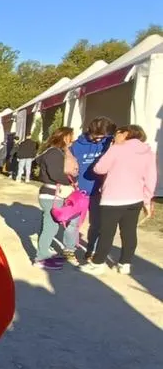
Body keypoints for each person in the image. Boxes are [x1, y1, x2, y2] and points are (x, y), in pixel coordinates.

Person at [82, 124, 157, 275]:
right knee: (129, 232)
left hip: (113, 197)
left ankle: (98, 263)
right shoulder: (148, 152)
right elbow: (151, 178)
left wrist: (112, 148)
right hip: (135, 198)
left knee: (107, 232)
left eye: (117, 133)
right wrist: (147, 200)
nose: (115, 136)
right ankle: (125, 263)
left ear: (126, 134)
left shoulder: (117, 148)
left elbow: (99, 169)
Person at [33, 127, 80, 269]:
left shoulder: (55, 152)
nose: (72, 139)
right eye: (71, 136)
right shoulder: (54, 153)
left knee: (49, 226)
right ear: (65, 137)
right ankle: (40, 258)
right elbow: (55, 174)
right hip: (52, 195)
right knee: (50, 228)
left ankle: (43, 253)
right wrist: (72, 180)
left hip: (52, 194)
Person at [70, 116, 116, 258]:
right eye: (95, 137)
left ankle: (91, 250)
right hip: (79, 192)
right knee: (73, 223)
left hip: (98, 191)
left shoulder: (109, 143)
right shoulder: (76, 146)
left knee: (96, 224)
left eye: (101, 138)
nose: (98, 140)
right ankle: (69, 248)